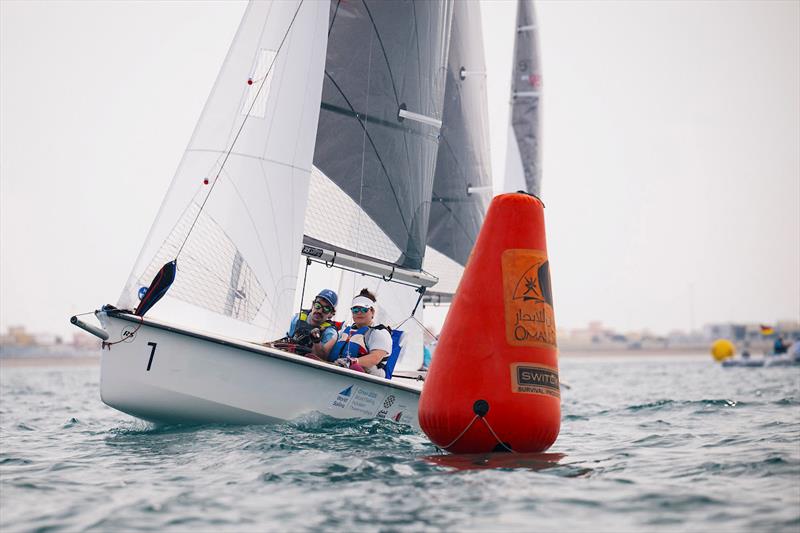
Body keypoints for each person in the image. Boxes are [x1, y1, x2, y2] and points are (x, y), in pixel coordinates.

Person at [329, 288, 393, 377]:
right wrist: (316, 341)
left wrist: (352, 362)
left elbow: (375, 358)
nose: (359, 313)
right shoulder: (344, 331)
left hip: (367, 379)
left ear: (372, 312)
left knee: (354, 367)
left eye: (364, 310)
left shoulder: (379, 333)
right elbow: (325, 351)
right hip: (339, 371)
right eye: (355, 310)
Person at [274, 289, 339, 359]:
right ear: (312, 305)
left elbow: (322, 357)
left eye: (326, 309)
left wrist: (316, 341)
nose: (320, 311)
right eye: (317, 305)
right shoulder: (296, 319)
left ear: (331, 314)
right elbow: (279, 337)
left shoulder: (331, 333)